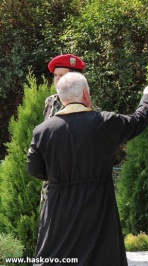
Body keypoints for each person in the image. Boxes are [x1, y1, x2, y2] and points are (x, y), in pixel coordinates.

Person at [27, 72, 148, 265]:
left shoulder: (42, 131)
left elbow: (34, 168)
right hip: (97, 206)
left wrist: (62, 177)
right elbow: (138, 121)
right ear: (86, 95)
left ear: (61, 97)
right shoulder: (105, 122)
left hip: (59, 208)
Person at [39, 54, 91, 212]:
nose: (57, 80)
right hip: (51, 181)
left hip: (75, 182)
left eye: (62, 75)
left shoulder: (87, 106)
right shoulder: (51, 101)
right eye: (55, 75)